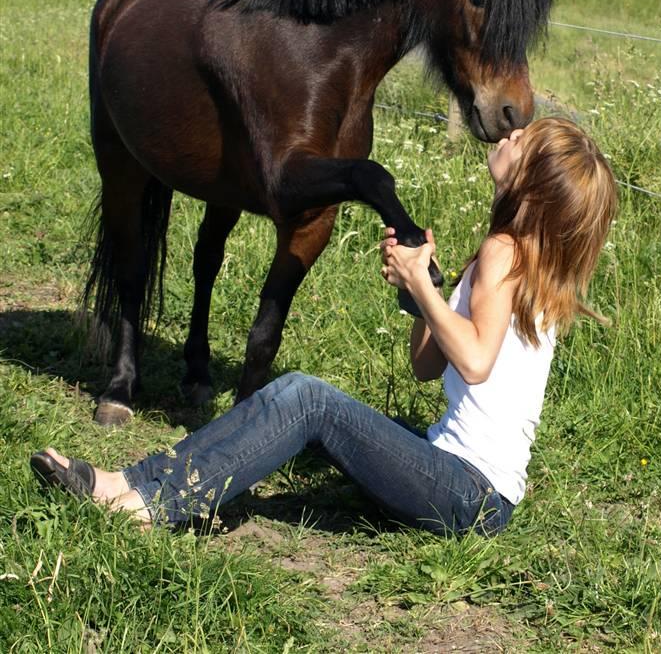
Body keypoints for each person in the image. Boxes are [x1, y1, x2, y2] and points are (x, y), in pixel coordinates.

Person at [30, 117, 617, 536]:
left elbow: (474, 361)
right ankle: (138, 486)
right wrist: (427, 294)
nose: (511, 134)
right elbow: (426, 365)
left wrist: (419, 287)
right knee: (301, 398)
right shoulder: (521, 261)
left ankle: (141, 499)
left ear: (533, 182)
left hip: (468, 491)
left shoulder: (503, 252)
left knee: (305, 397)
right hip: (469, 490)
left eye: (523, 141)